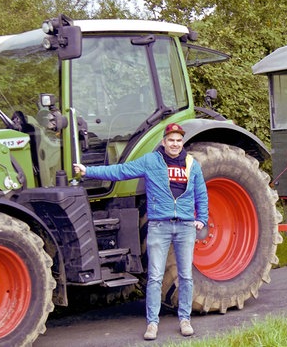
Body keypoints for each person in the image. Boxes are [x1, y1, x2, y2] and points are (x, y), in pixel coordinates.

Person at [73, 122, 208, 341]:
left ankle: (185, 320)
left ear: (182, 142)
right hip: (159, 226)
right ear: (164, 142)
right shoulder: (150, 161)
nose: (175, 144)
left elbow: (201, 193)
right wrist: (88, 170)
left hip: (185, 226)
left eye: (178, 140)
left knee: (185, 276)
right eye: (171, 140)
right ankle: (152, 324)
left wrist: (201, 218)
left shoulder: (192, 164)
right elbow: (121, 171)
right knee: (155, 277)